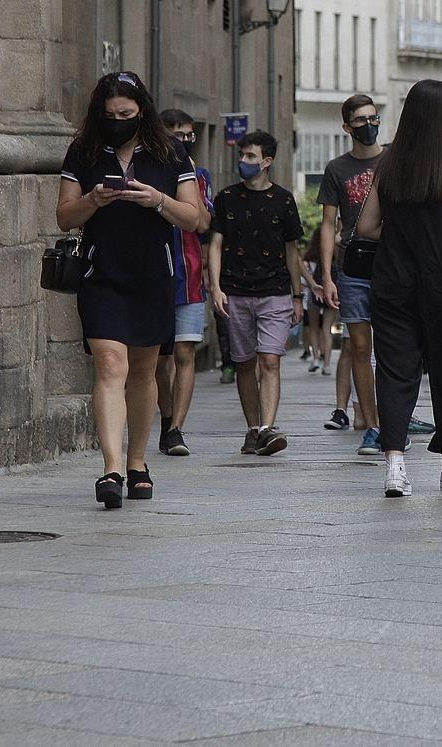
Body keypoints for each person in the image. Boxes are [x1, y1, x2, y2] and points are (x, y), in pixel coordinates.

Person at [56, 72, 205, 508]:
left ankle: (137, 462)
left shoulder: (170, 151)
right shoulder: (84, 150)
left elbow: (194, 217)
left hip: (152, 276)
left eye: (126, 114)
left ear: (143, 111)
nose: (118, 121)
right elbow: (64, 216)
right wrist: (93, 200)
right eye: (110, 115)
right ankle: (111, 468)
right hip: (101, 274)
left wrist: (156, 199)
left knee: (142, 372)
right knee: (109, 365)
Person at [354, 80, 442, 497]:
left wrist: (402, 237)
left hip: (393, 281)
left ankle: (395, 465)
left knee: (395, 370)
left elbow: (366, 227)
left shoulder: (388, 170)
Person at [208, 130, 304, 457]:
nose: (244, 161)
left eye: (251, 156)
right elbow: (215, 244)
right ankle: (253, 429)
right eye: (242, 155)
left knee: (270, 359)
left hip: (275, 290)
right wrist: (215, 287)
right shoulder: (225, 198)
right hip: (235, 291)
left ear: (267, 161)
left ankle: (266, 428)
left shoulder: (284, 200)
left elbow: (292, 251)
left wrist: (297, 296)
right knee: (244, 363)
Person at [317, 94, 385, 452]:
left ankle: (394, 418)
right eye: (361, 120)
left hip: (391, 264)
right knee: (359, 346)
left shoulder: (393, 160)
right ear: (347, 127)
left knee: (392, 346)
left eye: (373, 118)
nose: (369, 125)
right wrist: (327, 276)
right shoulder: (337, 168)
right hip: (353, 266)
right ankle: (372, 425)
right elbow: (328, 224)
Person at [156, 109, 215, 457]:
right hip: (156, 273)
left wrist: (190, 181)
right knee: (159, 358)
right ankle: (166, 417)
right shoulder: (150, 171)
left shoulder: (199, 175)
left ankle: (176, 428)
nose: (184, 141)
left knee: (184, 352)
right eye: (178, 135)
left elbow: (204, 224)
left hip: (189, 275)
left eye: (189, 136)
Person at [302, 237, 334, 378]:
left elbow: (300, 268)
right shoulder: (333, 255)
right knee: (327, 328)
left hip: (314, 294)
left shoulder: (309, 258)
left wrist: (313, 284)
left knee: (313, 327)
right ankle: (327, 364)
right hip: (331, 293)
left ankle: (315, 358)